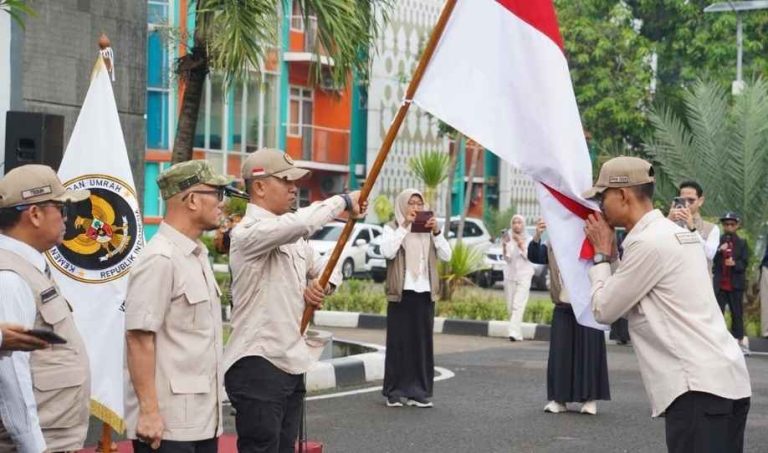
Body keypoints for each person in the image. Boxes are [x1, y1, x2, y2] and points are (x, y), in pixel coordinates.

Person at [583, 156, 751, 453]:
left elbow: (604, 309)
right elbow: (635, 284)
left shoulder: (649, 243)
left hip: (698, 390)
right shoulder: (674, 234)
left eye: (602, 196)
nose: (599, 206)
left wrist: (599, 255)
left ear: (622, 195)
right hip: (726, 382)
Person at [224, 149, 366, 453]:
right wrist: (342, 201)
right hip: (257, 364)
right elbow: (303, 224)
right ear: (259, 186)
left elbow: (331, 267)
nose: (294, 188)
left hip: (290, 363)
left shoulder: (293, 239)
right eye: (286, 180)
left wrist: (321, 286)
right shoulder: (248, 233)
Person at [124, 161, 232, 452]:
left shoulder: (195, 255)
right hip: (167, 426)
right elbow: (138, 338)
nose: (223, 202)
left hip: (201, 420)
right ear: (193, 199)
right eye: (218, 192)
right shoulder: (160, 259)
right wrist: (148, 412)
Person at [0, 164, 91, 453]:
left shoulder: (29, 266)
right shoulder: (10, 278)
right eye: (62, 208)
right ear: (35, 214)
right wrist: (34, 447)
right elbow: (12, 377)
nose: (67, 218)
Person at [527, 218, 610, 415]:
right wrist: (538, 235)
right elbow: (535, 256)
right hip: (563, 306)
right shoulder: (555, 244)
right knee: (560, 354)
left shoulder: (590, 242)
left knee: (589, 353)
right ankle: (559, 400)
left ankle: (589, 400)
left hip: (587, 307)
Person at [380, 189, 452, 408]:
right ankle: (394, 392)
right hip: (401, 294)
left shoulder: (429, 231)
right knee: (398, 343)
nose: (416, 208)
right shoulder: (391, 228)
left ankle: (418, 392)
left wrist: (437, 232)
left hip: (424, 294)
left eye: (419, 204)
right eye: (411, 204)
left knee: (421, 345)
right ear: (403, 205)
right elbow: (388, 252)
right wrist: (404, 227)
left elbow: (447, 255)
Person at [712, 212, 749, 355]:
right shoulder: (717, 241)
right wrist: (718, 250)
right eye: (726, 224)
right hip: (720, 284)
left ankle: (738, 341)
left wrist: (735, 264)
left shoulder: (742, 243)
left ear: (737, 225)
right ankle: (717, 342)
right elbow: (710, 258)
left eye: (732, 224)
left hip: (735, 284)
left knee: (737, 313)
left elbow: (744, 263)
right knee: (717, 313)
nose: (729, 227)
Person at [667, 180, 719, 268]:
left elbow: (709, 254)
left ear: (700, 201)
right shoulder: (669, 224)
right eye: (683, 200)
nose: (686, 204)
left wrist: (692, 228)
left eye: (691, 200)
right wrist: (668, 221)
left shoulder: (712, 228)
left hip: (700, 280)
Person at [502, 214, 534, 342]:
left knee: (518, 305)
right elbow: (507, 258)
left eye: (519, 222)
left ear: (523, 225)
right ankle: (517, 332)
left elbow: (530, 257)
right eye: (514, 222)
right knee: (510, 306)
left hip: (525, 275)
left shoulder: (530, 239)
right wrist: (505, 245)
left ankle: (513, 332)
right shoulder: (508, 239)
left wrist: (521, 244)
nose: (516, 225)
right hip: (510, 275)